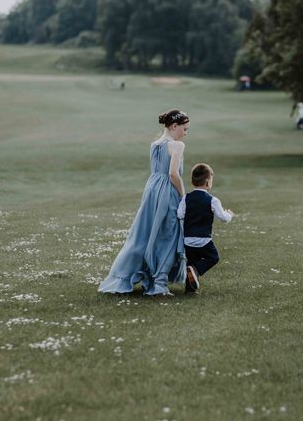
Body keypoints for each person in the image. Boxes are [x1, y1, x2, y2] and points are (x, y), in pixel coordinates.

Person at [98, 109, 189, 296]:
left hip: (152, 189)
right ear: (174, 126)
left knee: (145, 233)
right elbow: (173, 174)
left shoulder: (155, 144)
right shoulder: (177, 145)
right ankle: (159, 283)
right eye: (184, 129)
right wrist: (183, 194)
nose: (185, 133)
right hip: (167, 190)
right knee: (167, 234)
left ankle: (129, 276)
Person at [177, 163, 234, 293]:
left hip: (188, 240)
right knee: (213, 258)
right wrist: (229, 214)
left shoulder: (186, 198)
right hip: (204, 239)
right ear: (208, 182)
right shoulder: (213, 200)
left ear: (192, 181)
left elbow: (179, 215)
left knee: (191, 261)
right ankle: (196, 270)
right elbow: (223, 218)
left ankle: (190, 289)